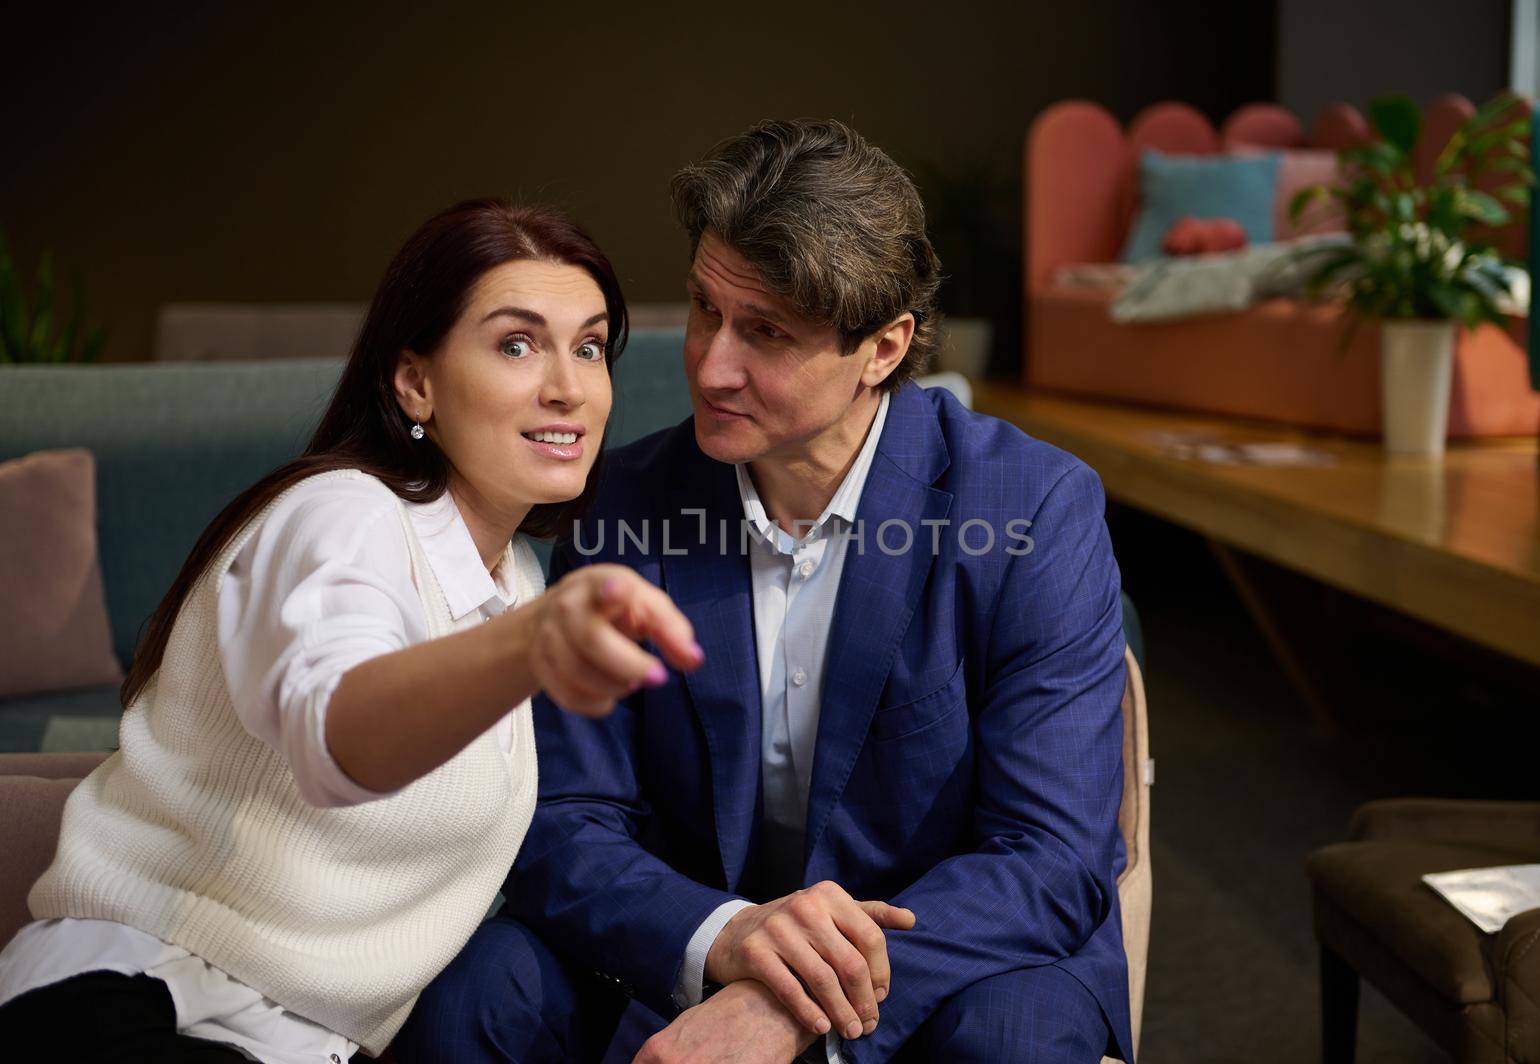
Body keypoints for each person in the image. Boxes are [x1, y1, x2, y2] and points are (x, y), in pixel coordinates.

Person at [401, 121, 1134, 1063]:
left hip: (945, 965)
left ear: (884, 348)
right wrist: (721, 943)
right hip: (686, 939)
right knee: (480, 993)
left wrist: (790, 1007)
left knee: (1021, 1036)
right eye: (706, 309)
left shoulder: (1033, 508)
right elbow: (567, 818)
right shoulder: (620, 501)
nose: (710, 366)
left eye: (767, 334)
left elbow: (1050, 854)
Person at [0, 199, 701, 1063]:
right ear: (416, 382)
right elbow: (334, 735)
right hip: (151, 1006)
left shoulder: (516, 577)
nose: (567, 386)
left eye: (589, 346)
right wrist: (533, 647)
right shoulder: (341, 515)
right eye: (516, 344)